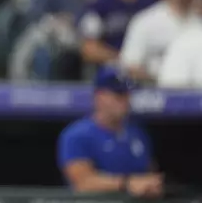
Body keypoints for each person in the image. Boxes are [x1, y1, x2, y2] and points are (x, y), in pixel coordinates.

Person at [57, 66, 162, 198]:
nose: (125, 101)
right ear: (99, 97)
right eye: (119, 95)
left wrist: (152, 185)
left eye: (128, 95)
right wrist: (127, 184)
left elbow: (149, 173)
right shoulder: (77, 135)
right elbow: (83, 183)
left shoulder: (137, 133)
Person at [120, 0, 201, 83]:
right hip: (152, 91)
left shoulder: (198, 23)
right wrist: (162, 77)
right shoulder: (146, 21)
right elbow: (129, 66)